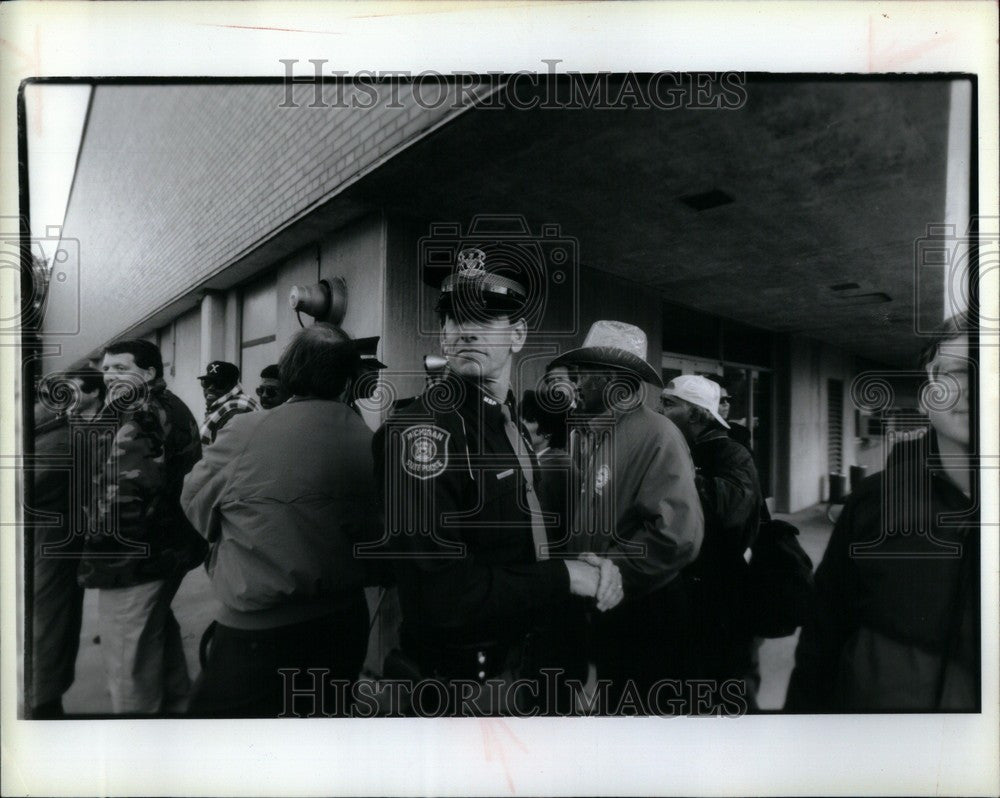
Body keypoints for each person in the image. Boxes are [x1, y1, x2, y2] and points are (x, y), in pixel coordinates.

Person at [374, 246, 624, 716]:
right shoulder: (422, 431)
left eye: (484, 318)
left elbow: (508, 538)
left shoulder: (507, 418)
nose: (463, 330)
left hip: (530, 664)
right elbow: (437, 595)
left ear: (517, 334)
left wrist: (573, 560)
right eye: (451, 317)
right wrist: (566, 576)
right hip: (471, 686)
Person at [182, 324, 378, 717]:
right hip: (344, 623)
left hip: (259, 631)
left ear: (288, 371)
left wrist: (227, 535)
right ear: (348, 379)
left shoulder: (246, 429)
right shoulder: (368, 437)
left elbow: (194, 501)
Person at [785, 315, 978, 711]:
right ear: (928, 392)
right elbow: (822, 642)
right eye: (959, 371)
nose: (975, 388)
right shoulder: (872, 503)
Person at [550, 320, 704, 715]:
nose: (576, 381)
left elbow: (679, 536)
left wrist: (610, 570)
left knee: (639, 722)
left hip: (648, 611)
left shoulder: (658, 435)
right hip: (609, 608)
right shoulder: (593, 433)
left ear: (617, 380)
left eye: (586, 372)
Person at [78, 339, 206, 714]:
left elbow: (121, 495)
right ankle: (176, 714)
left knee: (128, 666)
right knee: (155, 639)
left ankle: (137, 745)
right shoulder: (163, 406)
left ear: (149, 372)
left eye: (121, 367)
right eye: (106, 369)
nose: (110, 376)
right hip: (165, 552)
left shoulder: (142, 414)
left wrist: (93, 548)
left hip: (133, 560)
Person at [660, 374, 761, 709]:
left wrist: (680, 476)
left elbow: (731, 509)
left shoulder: (732, 452)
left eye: (670, 404)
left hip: (724, 599)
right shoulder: (680, 448)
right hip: (685, 594)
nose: (661, 411)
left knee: (728, 690)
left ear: (697, 413)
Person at [29, 368, 105, 718]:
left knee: (49, 620)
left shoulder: (62, 438)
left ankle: (43, 701)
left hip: (53, 541)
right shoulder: (54, 433)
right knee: (51, 620)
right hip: (55, 538)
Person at [197, 360, 260, 445]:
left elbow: (226, 455)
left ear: (233, 386)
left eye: (219, 383)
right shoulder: (228, 405)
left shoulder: (236, 412)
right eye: (206, 383)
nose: (210, 388)